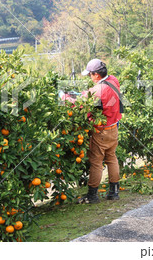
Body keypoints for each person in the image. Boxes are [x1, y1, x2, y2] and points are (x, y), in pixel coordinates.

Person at [61, 59, 122, 203]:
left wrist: (65, 97)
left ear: (96, 75)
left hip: (100, 132)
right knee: (112, 157)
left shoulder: (98, 90)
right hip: (114, 127)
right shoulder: (113, 80)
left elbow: (80, 105)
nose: (90, 77)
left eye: (90, 75)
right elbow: (94, 95)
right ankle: (114, 192)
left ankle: (92, 195)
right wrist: (82, 93)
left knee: (96, 162)